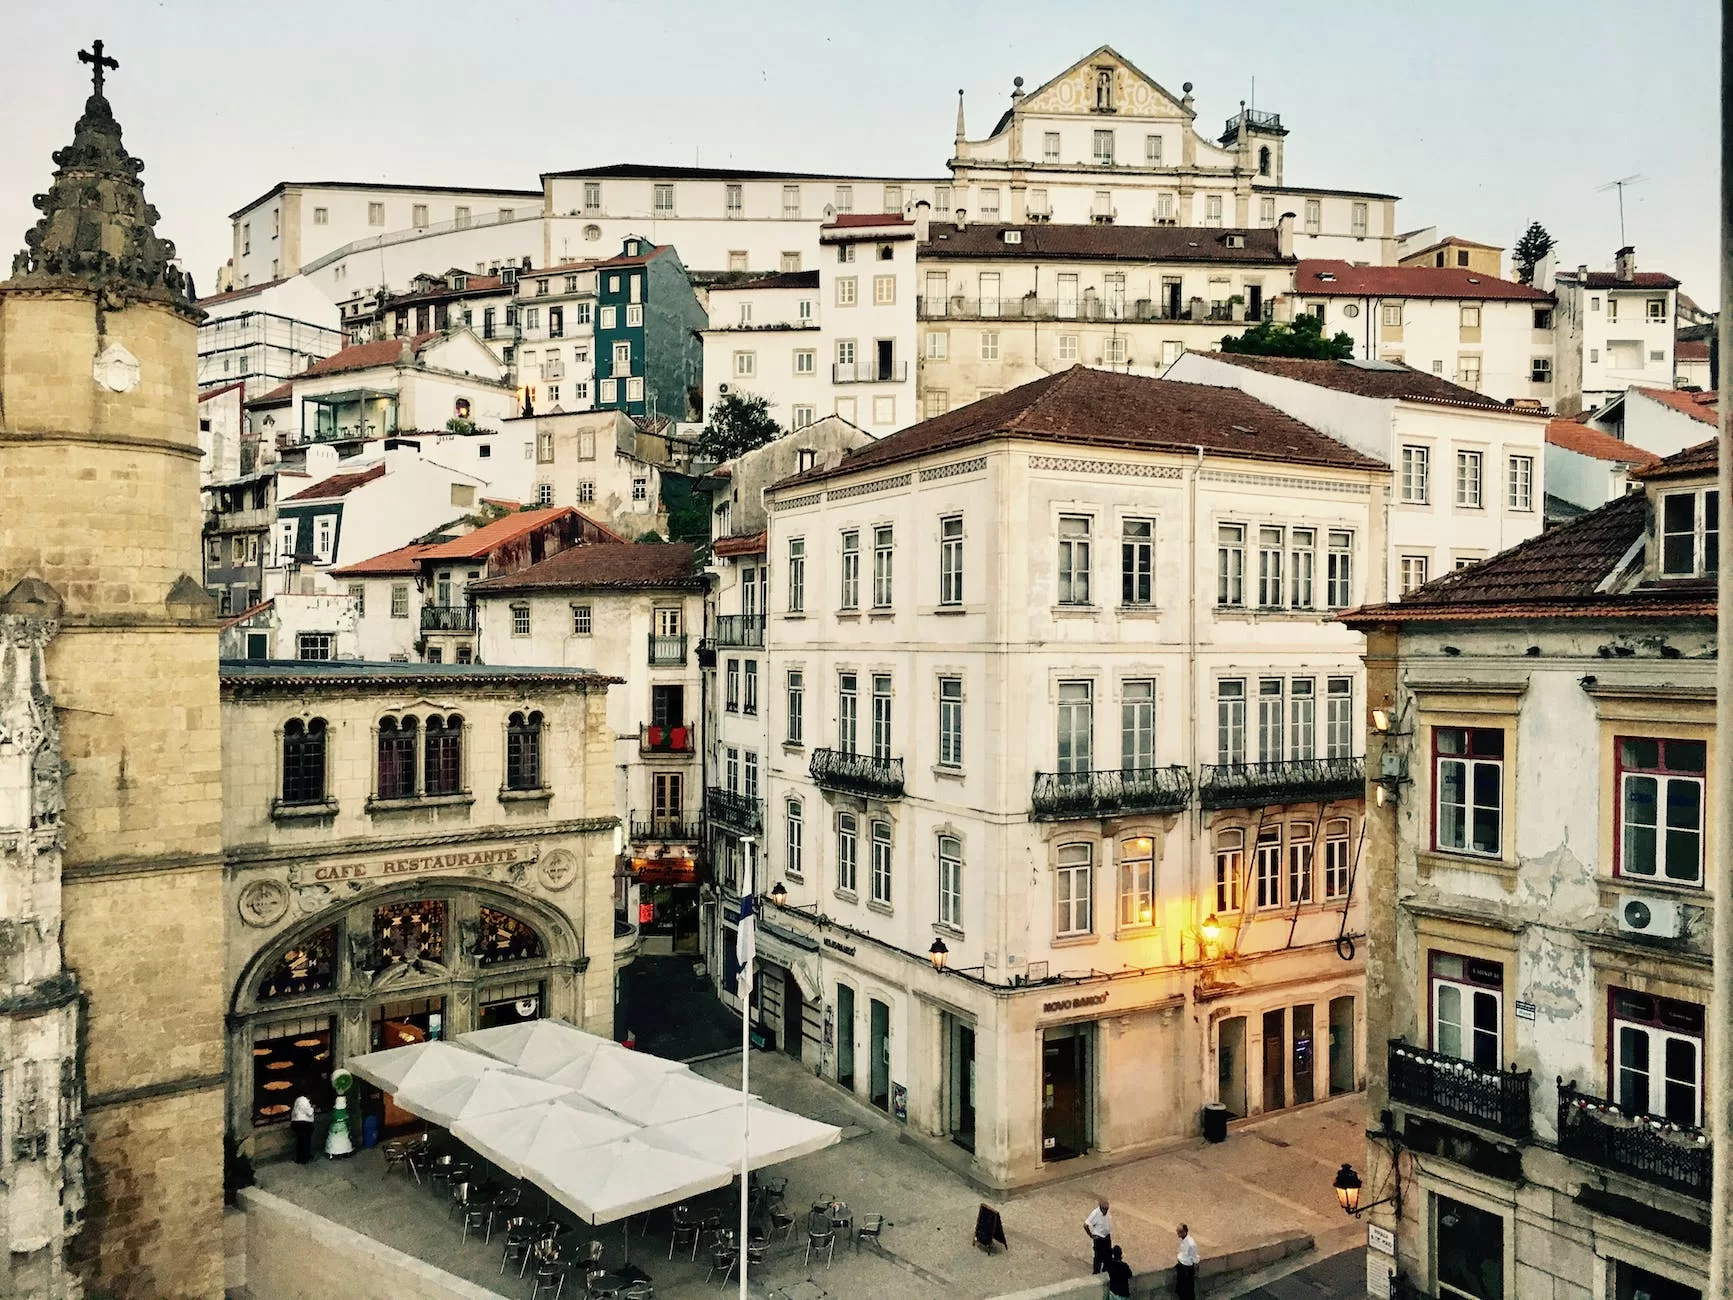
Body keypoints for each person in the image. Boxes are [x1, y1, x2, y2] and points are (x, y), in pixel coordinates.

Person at [1084, 1197, 1113, 1274]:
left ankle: (1105, 1270)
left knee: (1108, 1255)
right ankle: (1096, 1272)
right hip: (1099, 1238)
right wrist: (1091, 1235)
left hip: (1106, 1236)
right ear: (1100, 1207)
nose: (1106, 1211)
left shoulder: (1107, 1212)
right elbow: (1085, 1225)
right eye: (1104, 1209)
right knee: (1098, 1257)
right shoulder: (1095, 1214)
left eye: (1107, 1209)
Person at [1175, 1223, 1200, 1300]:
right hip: (1182, 1267)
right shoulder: (1184, 1240)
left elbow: (1195, 1258)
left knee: (1188, 1290)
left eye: (1179, 1231)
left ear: (1184, 1232)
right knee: (1181, 1290)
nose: (1177, 1233)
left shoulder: (1191, 1244)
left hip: (1186, 1270)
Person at [290, 1092, 316, 1164]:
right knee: (305, 1141)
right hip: (304, 1123)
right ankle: (303, 1158)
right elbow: (309, 1113)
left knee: (301, 1141)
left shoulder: (298, 1100)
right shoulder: (304, 1101)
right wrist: (313, 1107)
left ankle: (302, 1157)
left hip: (296, 1122)